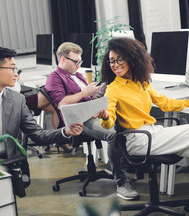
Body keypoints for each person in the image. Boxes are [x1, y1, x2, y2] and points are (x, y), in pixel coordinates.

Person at [96, 37, 189, 216]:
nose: (115, 64)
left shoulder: (142, 82)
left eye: (119, 59)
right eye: (112, 61)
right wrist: (105, 117)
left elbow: (164, 103)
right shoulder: (113, 89)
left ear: (131, 58)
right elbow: (110, 120)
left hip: (154, 133)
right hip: (139, 140)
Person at [0, 47, 83, 175]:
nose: (16, 74)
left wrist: (65, 132)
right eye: (12, 68)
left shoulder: (17, 100)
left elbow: (38, 135)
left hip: (3, 162)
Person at [45, 42, 138, 200]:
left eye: (80, 61)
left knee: (127, 120)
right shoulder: (54, 78)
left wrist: (100, 90)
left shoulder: (76, 74)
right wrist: (85, 92)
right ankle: (121, 183)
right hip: (78, 119)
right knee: (113, 134)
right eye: (76, 62)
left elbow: (88, 97)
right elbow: (61, 104)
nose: (79, 65)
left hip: (91, 111)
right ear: (62, 60)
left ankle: (114, 166)